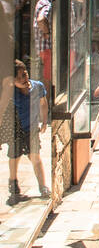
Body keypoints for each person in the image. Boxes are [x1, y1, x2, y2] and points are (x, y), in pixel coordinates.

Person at [7, 59, 50, 204]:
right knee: (14, 157)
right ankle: (13, 183)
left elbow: (44, 104)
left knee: (35, 157)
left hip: (31, 127)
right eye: (18, 78)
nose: (23, 80)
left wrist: (44, 121)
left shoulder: (38, 86)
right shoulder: (11, 91)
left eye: (24, 75)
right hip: (17, 128)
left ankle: (42, 186)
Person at [33, 0, 52, 85]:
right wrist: (47, 33)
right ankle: (47, 100)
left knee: (48, 76)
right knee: (48, 77)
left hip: (45, 47)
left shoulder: (43, 1)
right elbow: (41, 19)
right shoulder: (47, 4)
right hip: (47, 46)